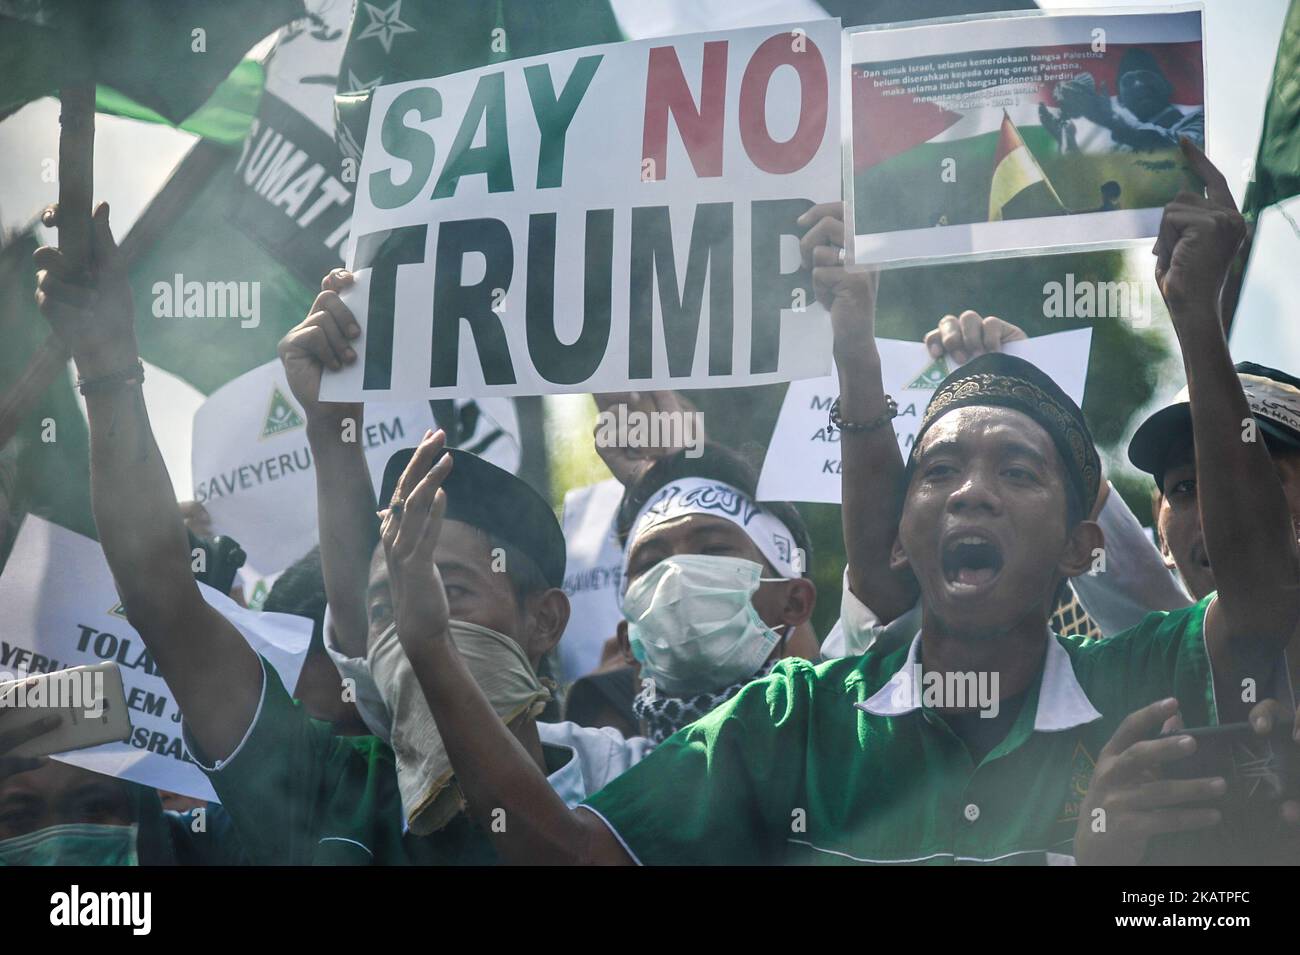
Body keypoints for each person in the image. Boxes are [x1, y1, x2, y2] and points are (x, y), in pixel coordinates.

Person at [369, 138, 1300, 865]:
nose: (970, 492)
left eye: (1017, 473)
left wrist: (1194, 322)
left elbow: (1260, 593)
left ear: (1079, 547)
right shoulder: (797, 723)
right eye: (937, 473)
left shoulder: (1143, 684)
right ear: (902, 537)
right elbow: (570, 854)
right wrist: (428, 647)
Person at [30, 206, 645, 863]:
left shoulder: (635, 784)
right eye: (385, 609)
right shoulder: (330, 790)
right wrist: (107, 367)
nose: (416, 620)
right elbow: (164, 600)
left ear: (546, 619)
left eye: (450, 590)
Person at [603, 442, 819, 743]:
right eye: (651, 563)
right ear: (629, 642)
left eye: (715, 550)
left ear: (795, 602)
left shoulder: (838, 741)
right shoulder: (596, 769)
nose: (677, 575)